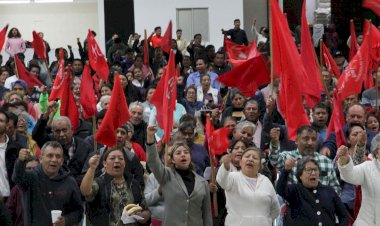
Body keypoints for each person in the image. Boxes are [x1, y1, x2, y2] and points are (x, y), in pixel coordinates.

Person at [146, 125, 213, 226]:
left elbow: (207, 214)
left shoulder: (202, 182)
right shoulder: (166, 176)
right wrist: (150, 138)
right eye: (178, 153)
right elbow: (153, 162)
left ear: (191, 157)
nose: (183, 155)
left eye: (186, 152)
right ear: (172, 159)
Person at [13, 141, 83, 226]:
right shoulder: (31, 177)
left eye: (58, 156)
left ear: (62, 161)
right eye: (50, 155)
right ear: (41, 158)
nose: (54, 160)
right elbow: (17, 178)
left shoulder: (70, 182)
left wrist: (66, 220)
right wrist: (20, 161)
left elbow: (78, 212)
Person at [80, 147, 150, 226]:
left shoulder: (134, 183)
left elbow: (145, 207)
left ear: (124, 163)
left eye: (120, 158)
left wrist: (144, 215)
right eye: (112, 158)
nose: (117, 161)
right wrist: (92, 168)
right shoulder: (99, 183)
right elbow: (85, 192)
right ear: (104, 164)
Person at [217, 146, 280, 226]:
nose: (250, 159)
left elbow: (275, 209)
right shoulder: (233, 177)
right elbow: (221, 180)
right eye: (247, 156)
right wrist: (225, 166)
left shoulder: (266, 181)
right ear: (240, 162)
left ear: (260, 165)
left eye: (255, 158)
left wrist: (263, 220)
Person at [277, 156, 349, 226]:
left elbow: (344, 216)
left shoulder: (329, 191)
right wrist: (286, 170)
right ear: (300, 175)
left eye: (316, 170)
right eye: (309, 170)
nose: (313, 173)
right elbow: (280, 189)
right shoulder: (295, 190)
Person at [269, 126, 341, 193]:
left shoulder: (326, 162)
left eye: (313, 139)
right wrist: (274, 143)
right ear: (296, 140)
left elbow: (335, 188)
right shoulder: (287, 157)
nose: (310, 143)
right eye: (306, 139)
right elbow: (274, 159)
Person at [337, 135, 380, 226]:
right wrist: (345, 161)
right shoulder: (368, 167)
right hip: (367, 222)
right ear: (377, 153)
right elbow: (350, 175)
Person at [6, 156, 39, 226]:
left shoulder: (45, 187)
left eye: (35, 168)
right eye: (29, 168)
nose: (32, 171)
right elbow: (9, 213)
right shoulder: (16, 190)